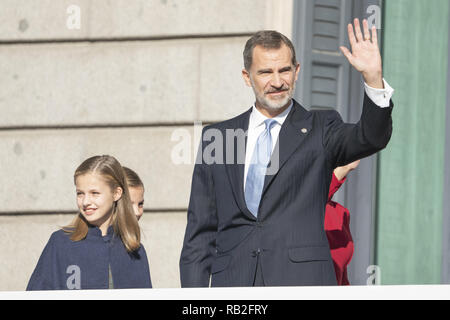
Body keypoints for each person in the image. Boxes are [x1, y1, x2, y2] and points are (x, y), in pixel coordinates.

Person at [180, 19, 394, 287]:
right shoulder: (218, 138)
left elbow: (370, 137)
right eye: (266, 72)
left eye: (284, 70)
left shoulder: (322, 126)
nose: (277, 81)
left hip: (300, 283)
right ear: (247, 77)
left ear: (297, 71)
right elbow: (199, 235)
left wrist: (372, 79)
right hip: (233, 286)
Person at [27, 155, 152, 290]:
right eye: (80, 193)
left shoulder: (135, 250)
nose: (86, 201)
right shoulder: (60, 243)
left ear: (116, 193)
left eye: (94, 193)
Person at [325, 160, 360, 285]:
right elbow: (314, 195)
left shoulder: (341, 213)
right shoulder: (302, 207)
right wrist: (343, 167)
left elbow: (342, 278)